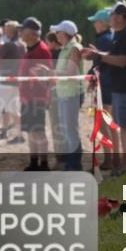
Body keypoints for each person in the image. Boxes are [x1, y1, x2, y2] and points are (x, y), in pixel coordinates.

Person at [82, 3, 126, 175]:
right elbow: (112, 57)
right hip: (118, 86)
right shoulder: (118, 35)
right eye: (112, 16)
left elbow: (122, 60)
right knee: (122, 126)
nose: (113, 19)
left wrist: (99, 56)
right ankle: (125, 165)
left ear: (123, 17)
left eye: (116, 15)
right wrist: (99, 55)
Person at [18, 17, 53, 172]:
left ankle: (44, 163)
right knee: (30, 131)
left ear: (32, 33)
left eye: (23, 30)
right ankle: (33, 162)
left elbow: (47, 78)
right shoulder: (30, 48)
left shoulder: (42, 50)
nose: (20, 32)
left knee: (38, 131)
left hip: (36, 97)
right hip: (27, 98)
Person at [86, 8, 119, 171]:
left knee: (105, 122)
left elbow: (101, 62)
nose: (94, 25)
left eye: (96, 22)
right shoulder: (108, 37)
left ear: (103, 23)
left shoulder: (104, 39)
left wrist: (91, 72)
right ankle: (111, 157)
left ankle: (110, 158)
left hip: (105, 85)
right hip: (108, 84)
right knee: (106, 122)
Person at [51, 21, 84, 171]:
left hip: (71, 93)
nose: (56, 35)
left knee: (70, 131)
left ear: (64, 34)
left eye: (58, 32)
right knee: (66, 130)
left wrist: (49, 73)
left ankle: (74, 165)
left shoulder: (74, 48)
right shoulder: (66, 48)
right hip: (64, 93)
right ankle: (71, 164)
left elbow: (71, 73)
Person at [0, 20, 25, 144]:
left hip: (3, 81)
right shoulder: (22, 45)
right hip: (16, 81)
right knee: (14, 111)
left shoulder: (8, 45)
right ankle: (20, 135)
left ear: (9, 31)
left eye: (5, 29)